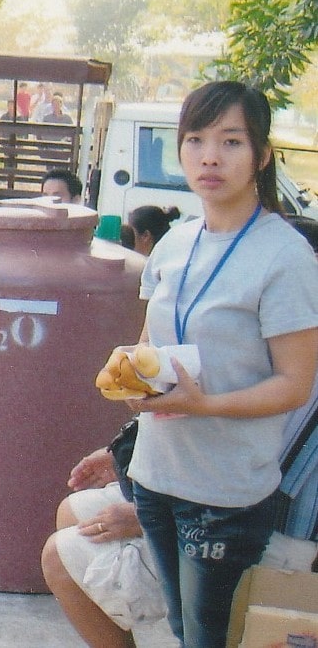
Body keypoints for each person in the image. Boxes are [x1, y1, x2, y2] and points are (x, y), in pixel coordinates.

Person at [124, 80, 318, 648]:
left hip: (226, 493)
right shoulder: (173, 244)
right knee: (183, 631)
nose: (210, 157)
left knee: (210, 640)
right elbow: (148, 348)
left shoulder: (285, 256)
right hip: (155, 477)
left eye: (231, 141)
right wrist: (132, 380)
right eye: (196, 140)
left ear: (262, 156)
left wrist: (204, 405)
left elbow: (295, 384)